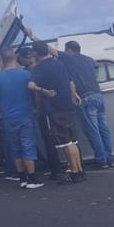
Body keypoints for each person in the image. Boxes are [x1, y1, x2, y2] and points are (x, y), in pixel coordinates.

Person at [28, 41, 86, 184]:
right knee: (73, 140)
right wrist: (74, 95)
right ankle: (80, 171)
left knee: (66, 143)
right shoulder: (59, 63)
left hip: (53, 108)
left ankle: (74, 173)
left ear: (36, 53)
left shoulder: (39, 69)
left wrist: (43, 91)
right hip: (67, 105)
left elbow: (31, 85)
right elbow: (70, 82)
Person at [0, 48, 44, 189]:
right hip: (25, 115)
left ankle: (22, 178)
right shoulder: (25, 74)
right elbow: (35, 91)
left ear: (3, 60)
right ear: (15, 58)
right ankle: (32, 179)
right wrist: (36, 106)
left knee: (15, 148)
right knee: (27, 146)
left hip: (8, 118)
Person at [59, 40, 114, 169]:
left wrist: (32, 36)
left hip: (86, 97)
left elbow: (50, 50)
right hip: (98, 95)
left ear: (69, 50)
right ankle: (110, 158)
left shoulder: (69, 58)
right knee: (104, 129)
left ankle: (101, 160)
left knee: (93, 130)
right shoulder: (89, 59)